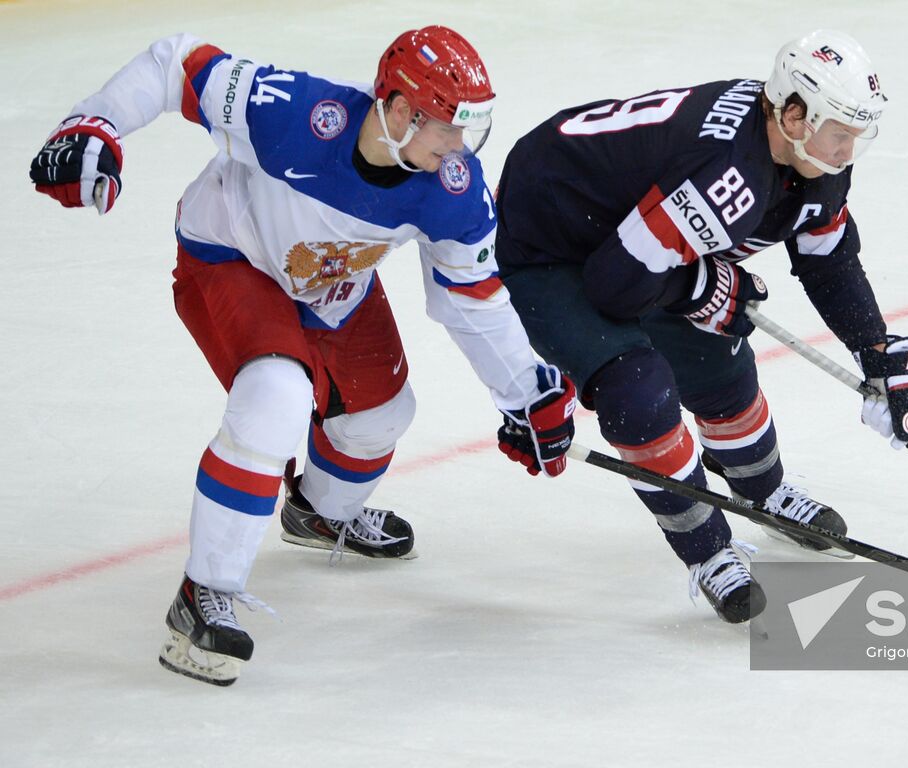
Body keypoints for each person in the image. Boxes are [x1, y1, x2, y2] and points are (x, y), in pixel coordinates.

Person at [28, 27, 577, 686]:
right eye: (447, 127)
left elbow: (473, 299)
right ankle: (203, 594)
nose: (459, 145)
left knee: (381, 418)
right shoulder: (295, 112)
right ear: (400, 110)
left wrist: (528, 393)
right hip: (231, 258)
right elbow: (177, 64)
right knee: (277, 396)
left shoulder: (451, 188)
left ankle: (318, 513)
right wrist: (94, 123)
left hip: (331, 282)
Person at [492, 30, 908, 624]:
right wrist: (702, 287)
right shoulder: (728, 174)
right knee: (638, 392)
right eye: (840, 132)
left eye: (857, 133)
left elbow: (828, 260)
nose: (848, 150)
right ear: (793, 115)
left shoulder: (810, 157)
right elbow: (614, 286)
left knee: (718, 365)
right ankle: (708, 550)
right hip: (551, 244)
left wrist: (877, 350)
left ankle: (762, 490)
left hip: (633, 241)